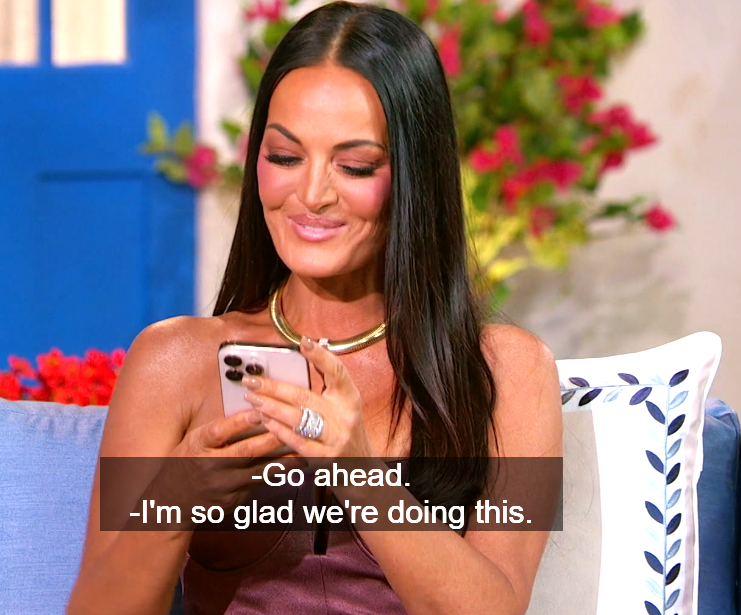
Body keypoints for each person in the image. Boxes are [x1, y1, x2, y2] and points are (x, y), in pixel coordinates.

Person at [67, 2, 562, 614]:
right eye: (284, 157)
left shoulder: (508, 371)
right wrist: (176, 497)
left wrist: (360, 474)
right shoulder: (172, 360)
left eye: (354, 166)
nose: (311, 194)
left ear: (416, 177)